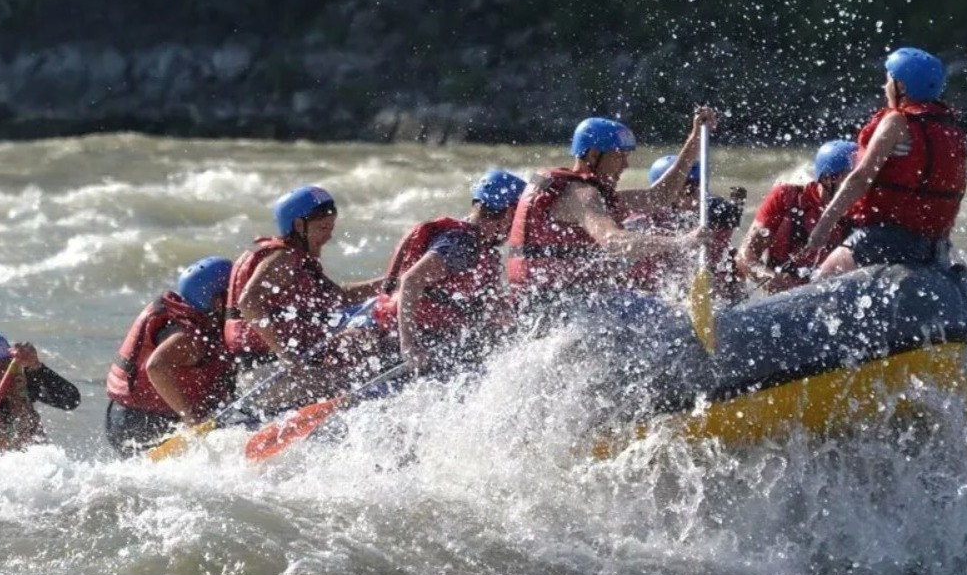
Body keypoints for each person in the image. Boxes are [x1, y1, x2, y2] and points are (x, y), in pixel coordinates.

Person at [505, 109, 718, 310]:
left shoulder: (592, 193)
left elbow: (660, 197)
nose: (625, 165)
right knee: (664, 316)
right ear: (593, 155)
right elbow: (613, 241)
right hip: (555, 305)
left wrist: (695, 139)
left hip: (556, 300)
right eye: (619, 157)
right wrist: (682, 241)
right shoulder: (580, 194)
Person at [803, 47, 967, 280]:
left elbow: (861, 178)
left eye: (888, 81)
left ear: (900, 87)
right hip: (934, 245)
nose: (884, 87)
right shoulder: (949, 127)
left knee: (820, 281)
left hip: (887, 237)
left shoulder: (897, 122)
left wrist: (823, 226)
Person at [224, 185, 385, 410]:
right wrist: (287, 356)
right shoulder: (283, 258)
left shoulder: (296, 260)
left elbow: (340, 296)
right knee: (361, 381)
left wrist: (391, 281)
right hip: (263, 379)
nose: (329, 235)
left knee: (360, 339)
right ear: (300, 226)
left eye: (331, 227)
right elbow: (248, 303)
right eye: (323, 228)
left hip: (273, 372)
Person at [356, 168, 528, 376]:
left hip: (430, 332)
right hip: (403, 340)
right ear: (509, 214)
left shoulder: (481, 245)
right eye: (519, 219)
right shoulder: (461, 244)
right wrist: (409, 345)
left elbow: (490, 305)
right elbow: (411, 280)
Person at [103, 257, 236, 456]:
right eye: (233, 294)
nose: (237, 302)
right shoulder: (190, 339)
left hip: (126, 417)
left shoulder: (195, 323)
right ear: (217, 302)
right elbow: (156, 366)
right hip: (142, 423)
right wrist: (192, 420)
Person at [736, 138, 857, 294]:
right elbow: (745, 257)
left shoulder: (861, 211)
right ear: (827, 179)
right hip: (785, 297)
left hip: (830, 296)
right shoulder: (786, 197)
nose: (862, 184)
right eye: (852, 177)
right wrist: (769, 277)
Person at [626, 154, 746, 302]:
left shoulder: (716, 214)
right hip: (646, 294)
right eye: (689, 189)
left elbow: (724, 260)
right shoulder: (642, 222)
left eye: (698, 188)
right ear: (663, 191)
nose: (695, 196)